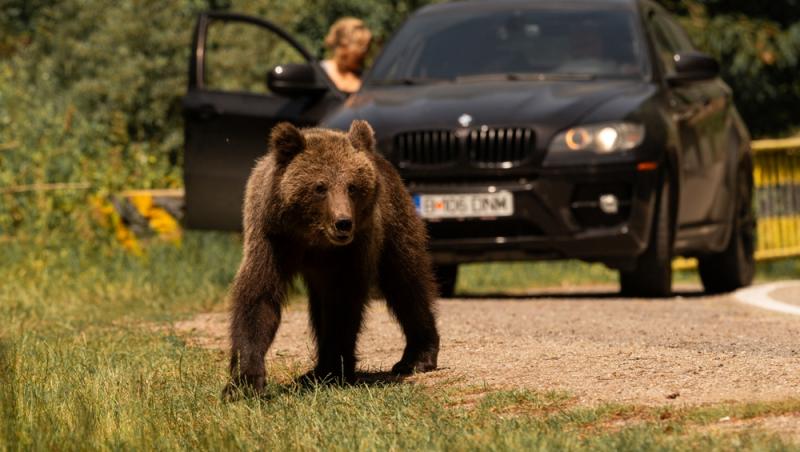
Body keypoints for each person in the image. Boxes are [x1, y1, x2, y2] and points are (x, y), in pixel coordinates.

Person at [321, 17, 372, 94]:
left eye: (367, 47)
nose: (364, 52)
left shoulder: (366, 78)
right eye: (360, 46)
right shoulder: (320, 72)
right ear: (343, 46)